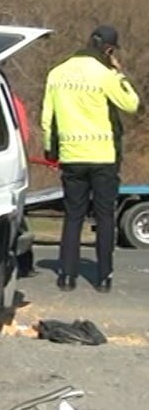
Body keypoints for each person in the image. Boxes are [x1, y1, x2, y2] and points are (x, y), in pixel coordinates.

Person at [41, 24, 140, 293]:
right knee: (105, 216)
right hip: (103, 155)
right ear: (108, 49)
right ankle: (104, 277)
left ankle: (66, 276)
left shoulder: (57, 73)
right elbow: (131, 104)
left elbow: (47, 118)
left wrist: (51, 151)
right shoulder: (105, 74)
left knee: (73, 216)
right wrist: (119, 75)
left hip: (72, 155)